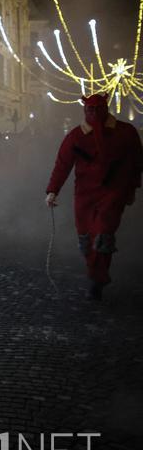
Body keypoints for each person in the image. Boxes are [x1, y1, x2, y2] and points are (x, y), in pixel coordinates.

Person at [46, 94, 142, 300]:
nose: (94, 114)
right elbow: (63, 164)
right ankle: (96, 274)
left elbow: (136, 162)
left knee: (103, 233)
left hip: (113, 192)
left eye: (98, 109)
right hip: (84, 194)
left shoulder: (125, 133)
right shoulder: (76, 136)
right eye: (90, 110)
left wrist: (132, 187)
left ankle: (97, 278)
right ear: (84, 111)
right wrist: (53, 190)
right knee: (87, 238)